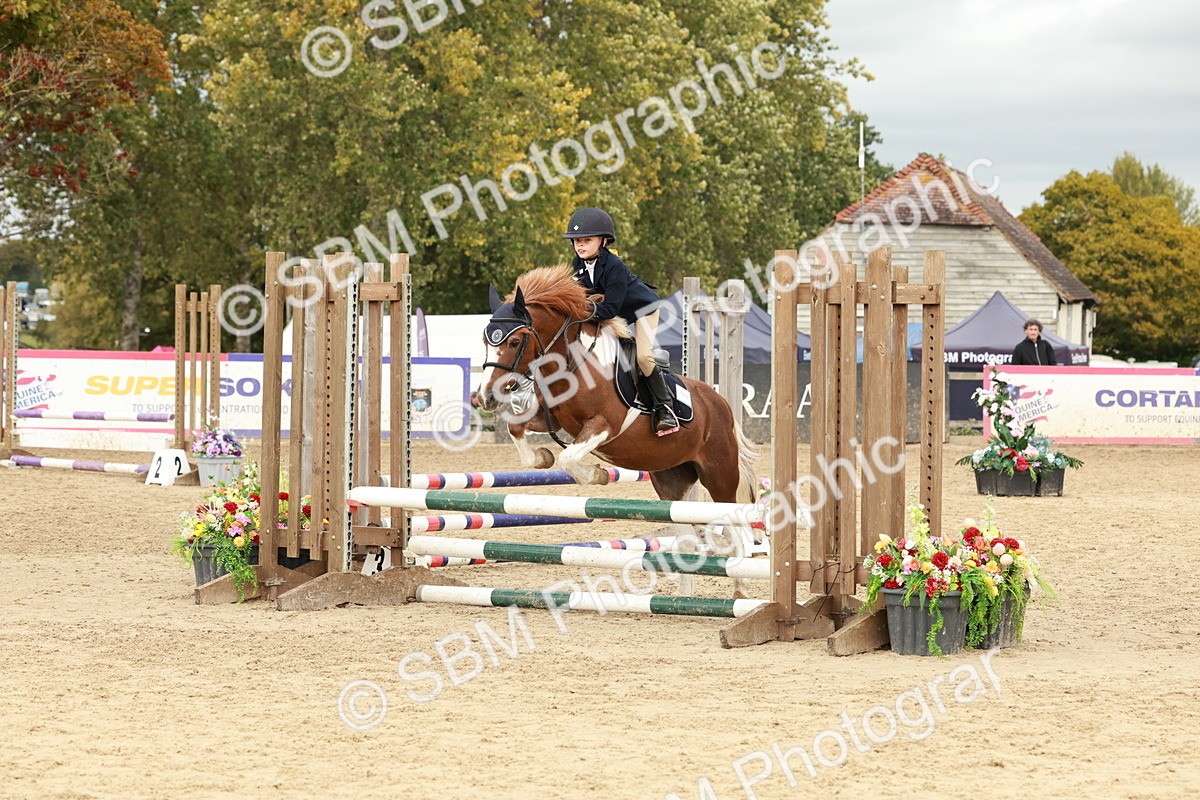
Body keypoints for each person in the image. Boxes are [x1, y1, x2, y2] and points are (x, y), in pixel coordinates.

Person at [563, 207, 679, 435]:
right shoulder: (577, 265)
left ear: (603, 241)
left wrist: (578, 308)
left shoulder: (614, 266)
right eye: (577, 241)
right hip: (614, 313)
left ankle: (665, 408)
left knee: (643, 356)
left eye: (587, 240)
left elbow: (608, 310)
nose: (581, 245)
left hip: (642, 310)